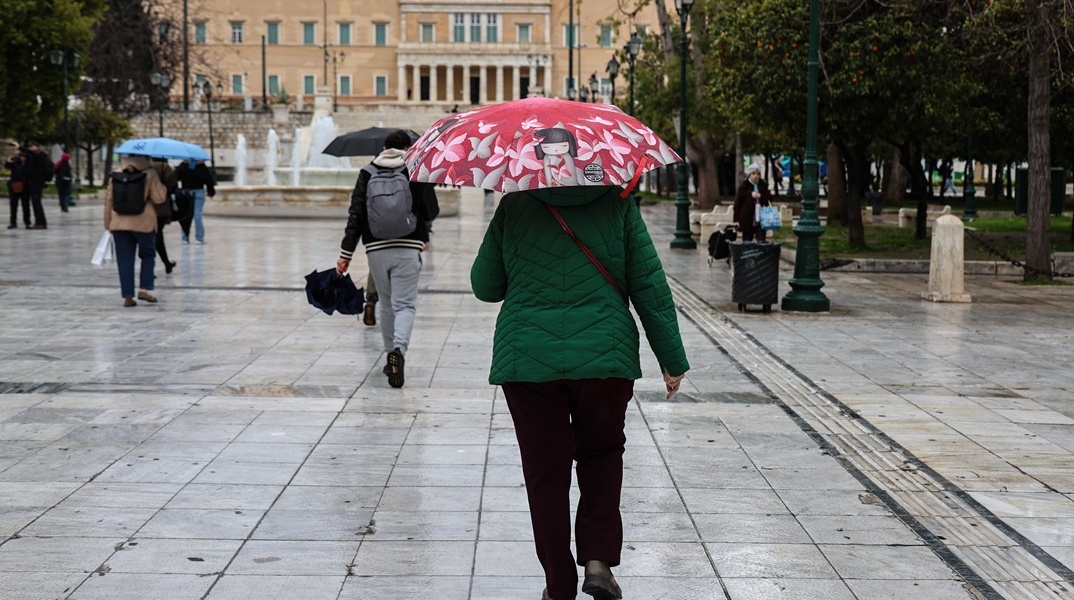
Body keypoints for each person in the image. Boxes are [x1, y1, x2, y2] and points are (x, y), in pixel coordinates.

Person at [470, 185, 690, 600]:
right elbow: (649, 285)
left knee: (545, 472)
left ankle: (557, 583)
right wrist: (672, 358)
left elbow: (485, 286)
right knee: (602, 454)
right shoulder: (617, 203)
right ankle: (598, 562)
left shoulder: (514, 204)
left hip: (528, 360)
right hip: (605, 357)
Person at [335, 130, 439, 388]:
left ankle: (388, 355)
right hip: (408, 245)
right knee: (405, 305)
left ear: (383, 147)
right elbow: (432, 209)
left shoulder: (367, 172)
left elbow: (356, 215)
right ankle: (399, 352)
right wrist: (423, 228)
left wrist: (346, 254)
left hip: (376, 248)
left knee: (387, 304)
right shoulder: (414, 169)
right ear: (407, 147)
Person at [105, 155, 166, 307]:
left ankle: (128, 296)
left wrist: (108, 224)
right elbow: (159, 198)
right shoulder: (150, 174)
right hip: (143, 222)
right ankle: (144, 290)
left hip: (119, 223)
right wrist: (161, 185)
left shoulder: (116, 174)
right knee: (147, 255)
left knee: (124, 260)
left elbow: (109, 200)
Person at [174, 158, 215, 244]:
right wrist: (211, 191)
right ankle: (199, 238)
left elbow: (175, 177)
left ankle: (185, 237)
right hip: (199, 191)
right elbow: (208, 179)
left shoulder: (183, 165)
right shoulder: (201, 166)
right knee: (197, 215)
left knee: (186, 215)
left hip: (186, 192)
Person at [150, 157, 178, 273]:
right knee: (157, 237)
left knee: (154, 237)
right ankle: (155, 266)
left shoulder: (145, 167)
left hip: (146, 206)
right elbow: (173, 184)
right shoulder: (164, 167)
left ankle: (165, 263)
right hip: (161, 207)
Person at [734, 163, 772, 242]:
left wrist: (760, 196)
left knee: (761, 241)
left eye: (758, 174)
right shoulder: (743, 187)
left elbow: (769, 201)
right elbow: (737, 204)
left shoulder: (763, 185)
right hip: (747, 219)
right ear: (749, 175)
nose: (756, 176)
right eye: (753, 174)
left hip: (761, 219)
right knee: (747, 241)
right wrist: (736, 220)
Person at [24, 142, 54, 229]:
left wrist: (19, 147)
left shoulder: (40, 156)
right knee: (35, 203)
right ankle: (41, 222)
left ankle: (40, 223)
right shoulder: (33, 157)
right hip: (34, 182)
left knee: (36, 203)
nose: (30, 148)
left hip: (37, 183)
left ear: (37, 147)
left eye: (32, 146)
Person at [5, 150, 30, 229]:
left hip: (25, 187)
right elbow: (7, 166)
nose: (23, 158)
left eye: (24, 157)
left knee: (26, 205)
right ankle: (13, 222)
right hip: (14, 186)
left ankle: (27, 222)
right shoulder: (15, 163)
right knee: (13, 206)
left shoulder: (29, 164)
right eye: (22, 156)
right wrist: (8, 161)